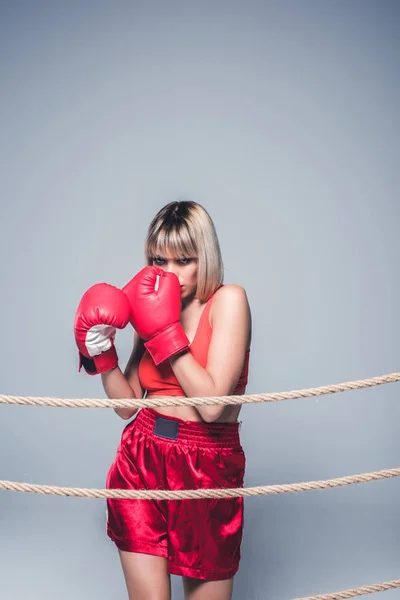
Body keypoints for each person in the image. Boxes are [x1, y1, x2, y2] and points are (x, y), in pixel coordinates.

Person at [74, 200, 252, 600]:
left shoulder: (229, 301)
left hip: (206, 464)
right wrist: (102, 357)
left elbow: (211, 407)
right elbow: (126, 405)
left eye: (183, 260)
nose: (169, 273)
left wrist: (164, 331)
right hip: (142, 457)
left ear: (204, 257)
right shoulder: (154, 304)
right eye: (158, 260)